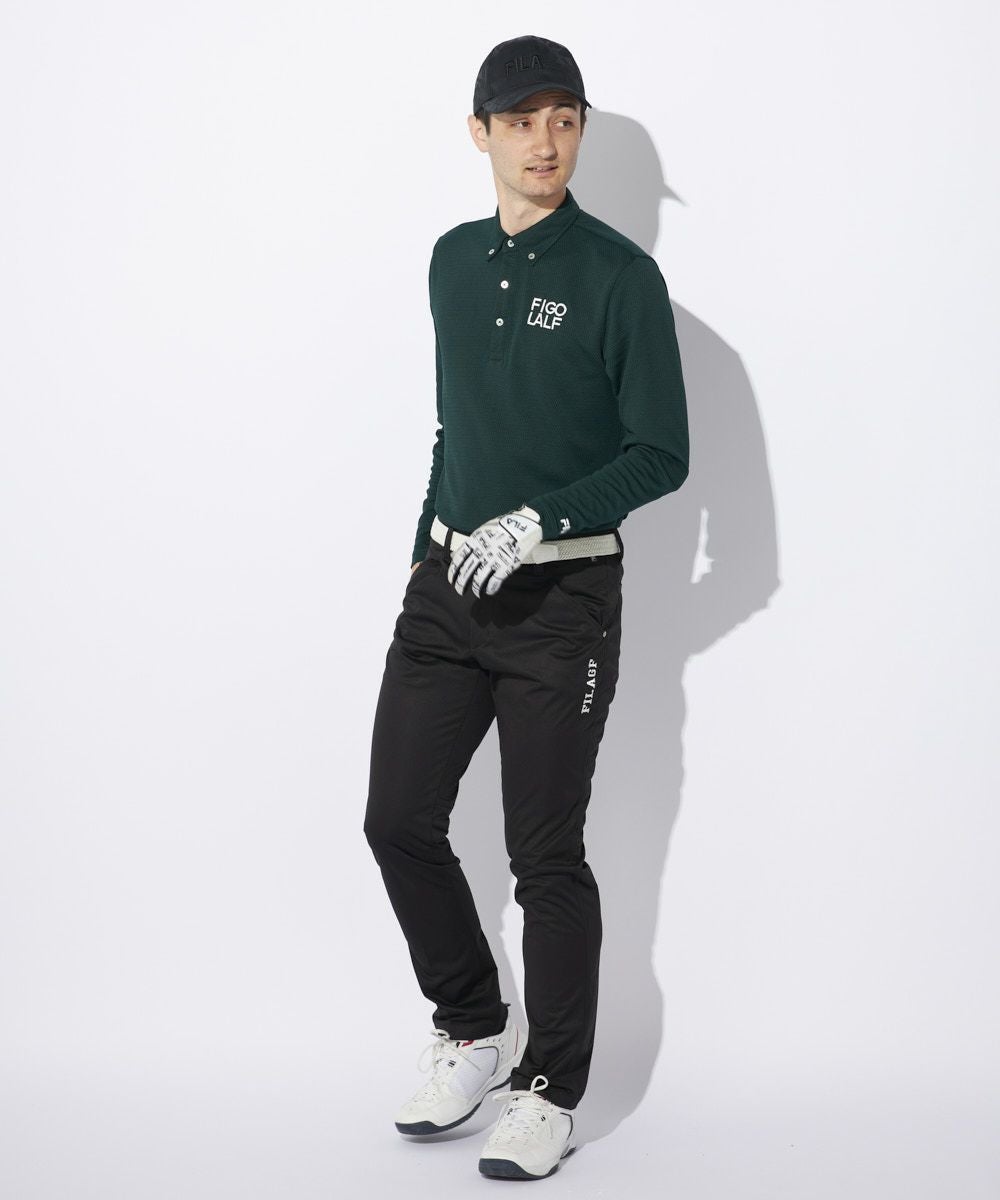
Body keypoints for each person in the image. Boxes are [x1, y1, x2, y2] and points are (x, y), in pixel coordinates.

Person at [363, 33, 689, 1181]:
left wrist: (539, 522)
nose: (544, 141)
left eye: (563, 118)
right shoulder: (452, 261)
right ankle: (469, 1026)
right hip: (447, 593)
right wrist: (428, 546)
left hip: (562, 607)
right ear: (480, 132)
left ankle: (548, 1090)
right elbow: (454, 424)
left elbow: (661, 453)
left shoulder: (618, 278)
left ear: (578, 130)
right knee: (396, 819)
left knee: (544, 854)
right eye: (520, 120)